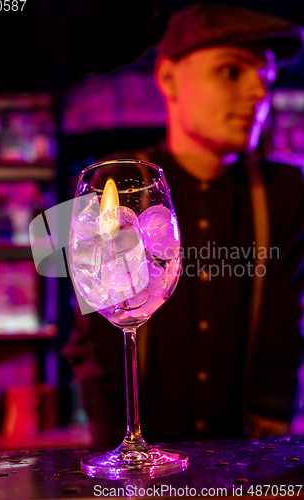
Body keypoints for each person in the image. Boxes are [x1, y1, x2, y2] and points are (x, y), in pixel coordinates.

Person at [64, 2, 304, 445]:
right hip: (138, 451)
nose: (257, 94)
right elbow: (84, 333)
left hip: (243, 454)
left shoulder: (289, 189)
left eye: (266, 80)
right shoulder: (100, 181)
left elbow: (285, 328)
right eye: (232, 71)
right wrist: (111, 438)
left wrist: (272, 443)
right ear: (168, 77)